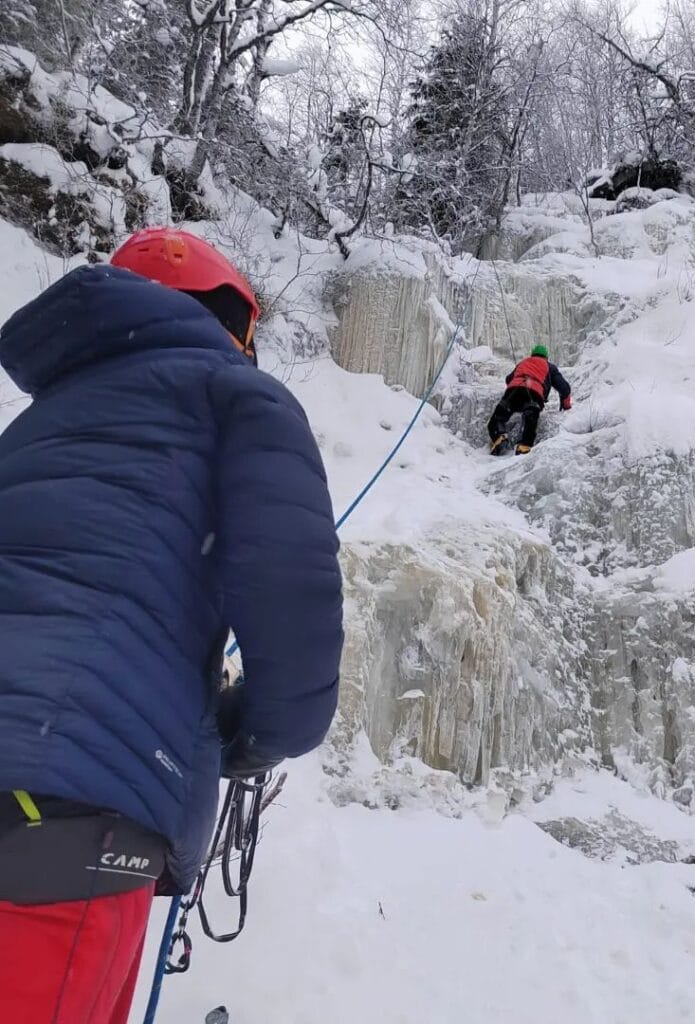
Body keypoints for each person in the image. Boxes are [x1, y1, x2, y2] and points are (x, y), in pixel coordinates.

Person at [0, 227, 344, 1024]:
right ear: (231, 321)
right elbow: (292, 599)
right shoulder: (234, 393)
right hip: (66, 818)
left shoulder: (36, 426)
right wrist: (251, 734)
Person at [487, 344, 571, 455]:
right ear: (546, 357)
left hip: (513, 392)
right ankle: (524, 445)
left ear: (532, 354)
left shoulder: (523, 362)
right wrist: (566, 405)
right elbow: (564, 388)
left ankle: (499, 436)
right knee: (530, 417)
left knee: (497, 418)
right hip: (534, 394)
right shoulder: (549, 366)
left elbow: (508, 379)